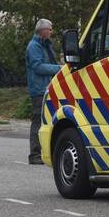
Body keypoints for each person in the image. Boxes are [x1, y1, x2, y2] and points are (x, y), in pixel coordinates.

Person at [25, 18, 61, 164]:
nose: (52, 32)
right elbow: (38, 67)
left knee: (48, 121)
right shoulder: (34, 46)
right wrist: (59, 69)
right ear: (42, 31)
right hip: (39, 90)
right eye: (50, 29)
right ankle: (34, 155)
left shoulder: (46, 45)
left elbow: (51, 62)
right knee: (38, 121)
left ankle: (46, 152)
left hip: (49, 88)